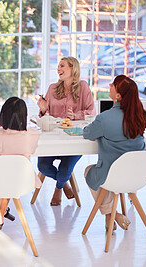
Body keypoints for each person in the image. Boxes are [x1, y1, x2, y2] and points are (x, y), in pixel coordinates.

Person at [83, 75, 146, 231]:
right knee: (109, 174)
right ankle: (111, 216)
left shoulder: (105, 118)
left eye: (113, 85)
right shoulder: (141, 116)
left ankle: (110, 214)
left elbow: (87, 134)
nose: (109, 85)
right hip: (138, 175)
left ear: (119, 96)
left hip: (114, 176)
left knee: (89, 171)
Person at [37, 56, 96, 206]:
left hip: (74, 139)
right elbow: (46, 117)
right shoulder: (52, 88)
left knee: (64, 168)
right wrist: (43, 109)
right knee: (42, 166)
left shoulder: (83, 87)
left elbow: (91, 113)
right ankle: (64, 184)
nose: (58, 69)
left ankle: (58, 189)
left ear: (72, 68)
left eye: (62, 66)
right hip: (53, 139)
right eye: (58, 66)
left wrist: (75, 116)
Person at [0, 97, 41, 229]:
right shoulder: (33, 135)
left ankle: (0, 213)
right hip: (22, 181)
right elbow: (32, 149)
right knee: (9, 178)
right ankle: (2, 212)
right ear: (24, 116)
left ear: (2, 115)